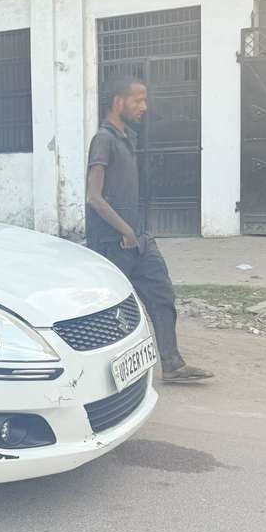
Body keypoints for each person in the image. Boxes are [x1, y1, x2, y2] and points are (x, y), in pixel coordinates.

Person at [86, 76, 212, 383]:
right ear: (119, 102)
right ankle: (100, 377)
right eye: (138, 100)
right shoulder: (103, 140)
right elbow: (94, 196)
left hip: (138, 239)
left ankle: (172, 364)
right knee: (111, 311)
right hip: (112, 243)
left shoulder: (126, 138)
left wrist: (137, 232)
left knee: (161, 294)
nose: (145, 106)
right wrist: (125, 230)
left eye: (145, 99)